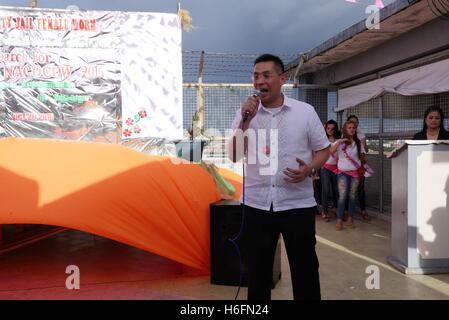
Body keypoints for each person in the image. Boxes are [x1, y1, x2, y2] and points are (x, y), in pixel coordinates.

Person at [228, 54, 330, 300]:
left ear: (282, 79)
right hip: (257, 206)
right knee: (258, 273)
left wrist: (309, 169)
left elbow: (323, 150)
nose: (259, 80)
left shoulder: (304, 112)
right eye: (255, 76)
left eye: (266, 75)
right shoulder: (245, 115)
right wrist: (246, 122)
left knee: (305, 270)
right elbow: (234, 155)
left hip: (297, 205)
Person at [330, 121, 366, 231]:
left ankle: (350, 218)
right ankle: (339, 219)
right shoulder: (340, 142)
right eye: (349, 128)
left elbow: (362, 157)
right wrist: (339, 142)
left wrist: (361, 163)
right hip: (342, 173)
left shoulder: (358, 142)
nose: (352, 129)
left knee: (352, 196)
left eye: (353, 128)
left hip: (355, 173)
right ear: (345, 129)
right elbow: (331, 152)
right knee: (342, 197)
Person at [346, 115, 370, 221]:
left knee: (360, 189)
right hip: (347, 167)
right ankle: (346, 211)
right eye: (352, 122)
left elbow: (366, 150)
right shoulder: (344, 135)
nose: (354, 124)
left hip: (359, 166)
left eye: (356, 122)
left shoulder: (361, 135)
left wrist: (363, 144)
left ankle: (363, 210)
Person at [320, 120, 341, 222]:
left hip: (337, 168)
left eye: (332, 128)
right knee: (326, 190)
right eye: (328, 128)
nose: (330, 130)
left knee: (336, 190)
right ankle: (324, 211)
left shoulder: (338, 140)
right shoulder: (323, 140)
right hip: (325, 168)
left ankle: (335, 208)